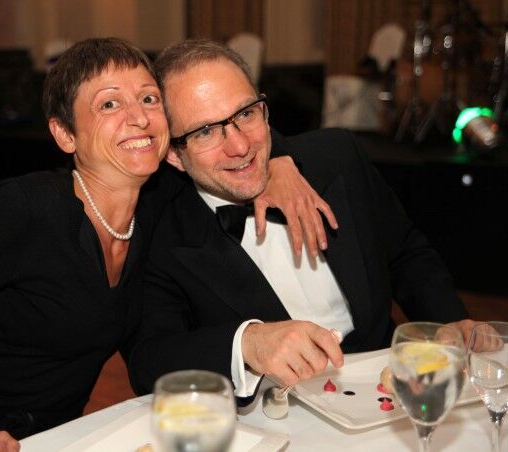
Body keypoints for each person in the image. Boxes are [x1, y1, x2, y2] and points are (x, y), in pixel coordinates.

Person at [0, 38, 333, 451]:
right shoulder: (25, 210)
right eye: (109, 104)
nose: (139, 117)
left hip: (53, 441)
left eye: (149, 99)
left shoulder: (156, 202)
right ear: (65, 134)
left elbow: (230, 128)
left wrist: (279, 162)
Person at [129, 39, 478, 400]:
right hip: (273, 417)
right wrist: (247, 343)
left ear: (264, 109)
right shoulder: (161, 235)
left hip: (389, 394)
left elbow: (405, 252)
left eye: (245, 114)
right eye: (205, 132)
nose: (240, 147)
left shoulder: (338, 157)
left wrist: (449, 323)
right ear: (173, 154)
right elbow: (149, 361)